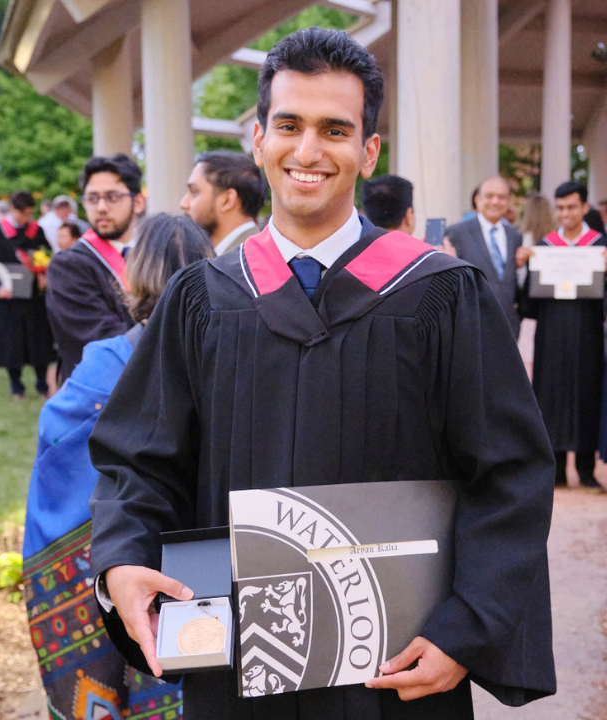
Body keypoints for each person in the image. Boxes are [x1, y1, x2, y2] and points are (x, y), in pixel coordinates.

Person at [90, 28, 555, 719]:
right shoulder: (202, 300)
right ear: (258, 139)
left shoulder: (441, 295)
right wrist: (122, 560)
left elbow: (510, 472)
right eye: (289, 126)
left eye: (335, 129)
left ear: (368, 151)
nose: (307, 151)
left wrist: (468, 628)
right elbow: (139, 461)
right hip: (236, 669)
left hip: (396, 674)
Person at [23, 214, 211, 720]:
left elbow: (56, 435)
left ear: (132, 274)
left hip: (105, 550)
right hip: (194, 553)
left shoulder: (107, 358)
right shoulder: (224, 353)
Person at [516, 181, 606, 489]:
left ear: (584, 208)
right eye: (560, 207)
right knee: (549, 394)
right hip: (551, 335)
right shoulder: (544, 247)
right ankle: (554, 470)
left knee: (587, 394)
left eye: (571, 207)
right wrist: (525, 268)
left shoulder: (600, 246)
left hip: (588, 334)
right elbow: (529, 304)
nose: (565, 213)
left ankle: (584, 469)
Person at [45, 155, 146, 384]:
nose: (101, 208)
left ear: (138, 202)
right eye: (92, 198)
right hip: (97, 399)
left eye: (112, 197)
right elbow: (102, 338)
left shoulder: (154, 256)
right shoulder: (68, 266)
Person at [0, 191, 56, 398]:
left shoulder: (37, 231)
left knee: (38, 342)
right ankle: (16, 386)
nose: (27, 218)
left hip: (33, 298)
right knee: (11, 343)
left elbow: (48, 255)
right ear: (13, 209)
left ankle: (42, 384)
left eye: (30, 213)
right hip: (9, 299)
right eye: (24, 213)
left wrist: (44, 273)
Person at [445, 176, 523, 337]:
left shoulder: (515, 236)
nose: (495, 201)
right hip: (470, 325)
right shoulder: (457, 232)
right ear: (477, 199)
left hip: (507, 327)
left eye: (501, 197)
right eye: (489, 196)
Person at [180, 150, 266, 255]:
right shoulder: (243, 255)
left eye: (194, 191)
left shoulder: (246, 261)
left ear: (227, 200)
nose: (183, 203)